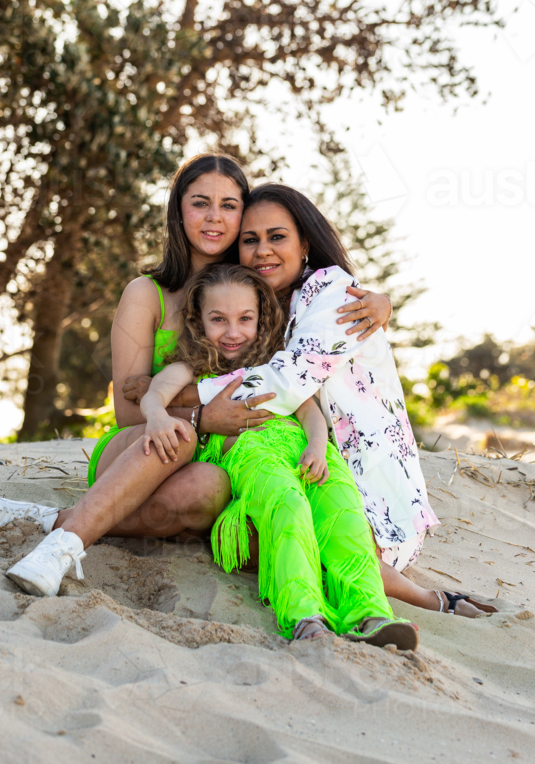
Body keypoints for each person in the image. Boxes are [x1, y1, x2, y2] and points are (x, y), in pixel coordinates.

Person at [0, 155, 389, 592]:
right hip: (140, 447)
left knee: (209, 489)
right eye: (200, 203)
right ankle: (61, 549)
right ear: (179, 212)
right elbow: (126, 413)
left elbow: (319, 312)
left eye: (230, 205)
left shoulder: (259, 296)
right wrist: (201, 418)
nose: (215, 218)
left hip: (217, 463)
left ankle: (47, 519)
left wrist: (381, 302)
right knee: (178, 441)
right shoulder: (147, 295)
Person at [171, 184, 495, 618]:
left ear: (305, 243)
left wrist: (183, 398)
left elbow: (287, 382)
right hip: (297, 464)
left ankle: (430, 599)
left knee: (320, 547)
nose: (263, 250)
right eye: (250, 240)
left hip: (360, 484)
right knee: (244, 533)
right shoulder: (258, 308)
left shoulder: (334, 291)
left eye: (277, 236)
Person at [138, 262, 419, 649]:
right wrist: (155, 416)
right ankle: (303, 614)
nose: (233, 332)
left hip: (306, 452)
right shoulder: (191, 367)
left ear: (260, 318)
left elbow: (309, 413)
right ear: (198, 321)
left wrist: (318, 448)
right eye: (218, 319)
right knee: (287, 508)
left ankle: (368, 612)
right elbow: (155, 394)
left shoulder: (277, 362)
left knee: (344, 515)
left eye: (245, 319)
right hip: (247, 452)